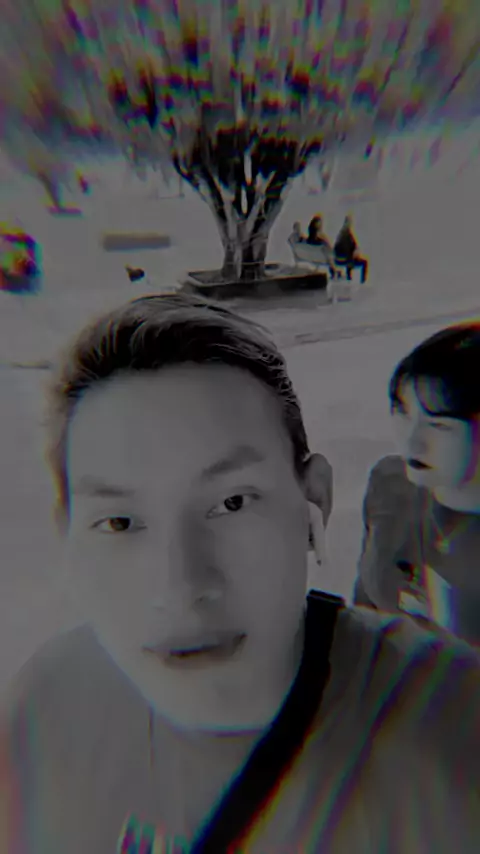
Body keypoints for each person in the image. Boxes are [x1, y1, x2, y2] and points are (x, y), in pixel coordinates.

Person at [0, 294, 479, 852]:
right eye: (119, 522)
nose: (180, 588)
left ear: (314, 503)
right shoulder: (45, 707)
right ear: (67, 536)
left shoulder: (456, 735)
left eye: (232, 503)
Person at [353, 322, 480, 647]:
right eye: (403, 413)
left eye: (439, 425)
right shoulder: (391, 486)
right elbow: (365, 611)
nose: (412, 442)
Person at [334, 215, 368, 283]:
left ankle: (348, 276)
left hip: (338, 260)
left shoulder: (340, 235)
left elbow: (336, 248)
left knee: (350, 256)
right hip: (347, 260)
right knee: (364, 262)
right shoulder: (348, 235)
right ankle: (362, 281)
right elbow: (353, 248)